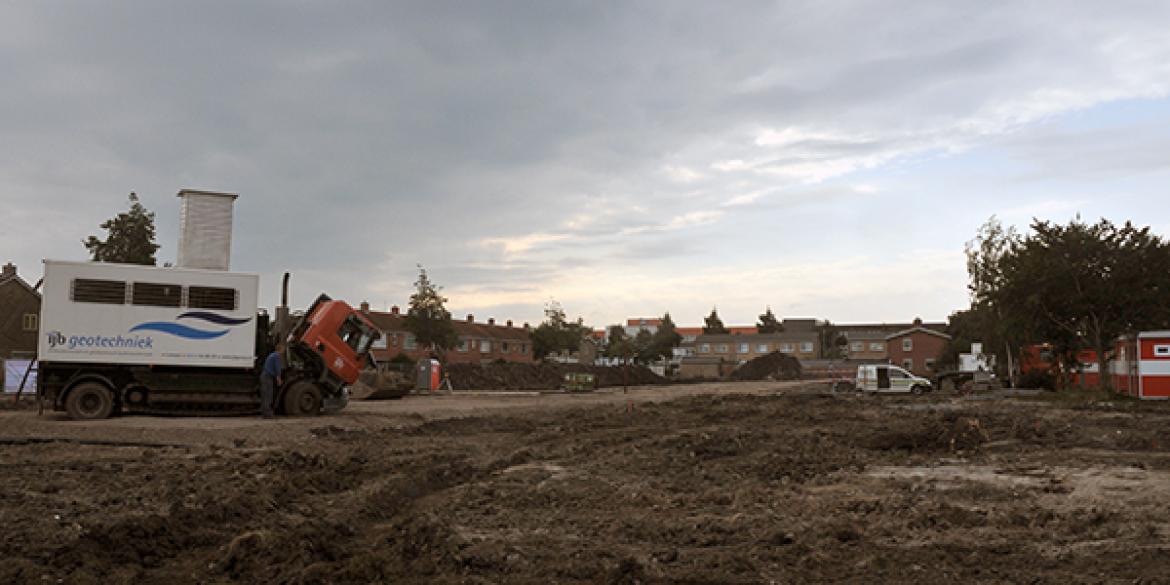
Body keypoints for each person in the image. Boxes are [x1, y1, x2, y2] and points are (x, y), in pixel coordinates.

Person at [260, 341, 284, 419]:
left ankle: (265, 413)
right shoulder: (277, 356)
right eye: (283, 349)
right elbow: (277, 368)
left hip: (265, 376)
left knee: (265, 395)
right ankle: (268, 414)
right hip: (267, 377)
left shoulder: (272, 355)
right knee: (268, 395)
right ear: (280, 349)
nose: (283, 351)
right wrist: (279, 378)